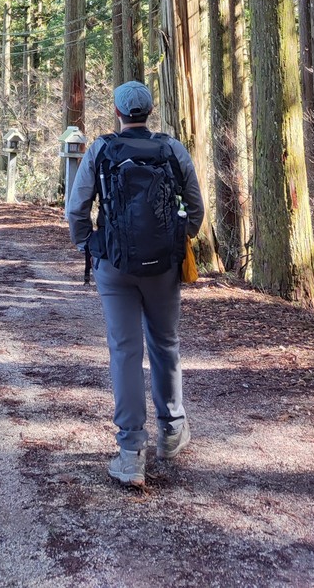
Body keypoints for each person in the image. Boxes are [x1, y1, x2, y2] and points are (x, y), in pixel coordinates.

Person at [66, 79, 205, 487]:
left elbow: (77, 207)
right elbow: (194, 206)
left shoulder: (101, 149)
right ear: (149, 111)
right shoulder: (171, 148)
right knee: (165, 344)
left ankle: (130, 453)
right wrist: (180, 241)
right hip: (164, 265)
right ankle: (172, 430)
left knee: (125, 352)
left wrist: (86, 244)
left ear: (118, 113)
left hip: (115, 264)